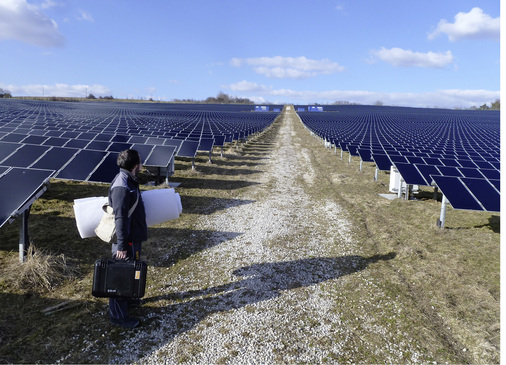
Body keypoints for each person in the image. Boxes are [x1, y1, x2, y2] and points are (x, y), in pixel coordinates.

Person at [108, 149, 148, 328]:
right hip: (126, 240)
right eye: (139, 161)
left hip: (132, 237)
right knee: (121, 276)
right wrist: (122, 246)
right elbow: (121, 218)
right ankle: (118, 315)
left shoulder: (128, 180)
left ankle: (128, 300)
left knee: (132, 271)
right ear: (134, 165)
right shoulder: (122, 185)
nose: (141, 164)